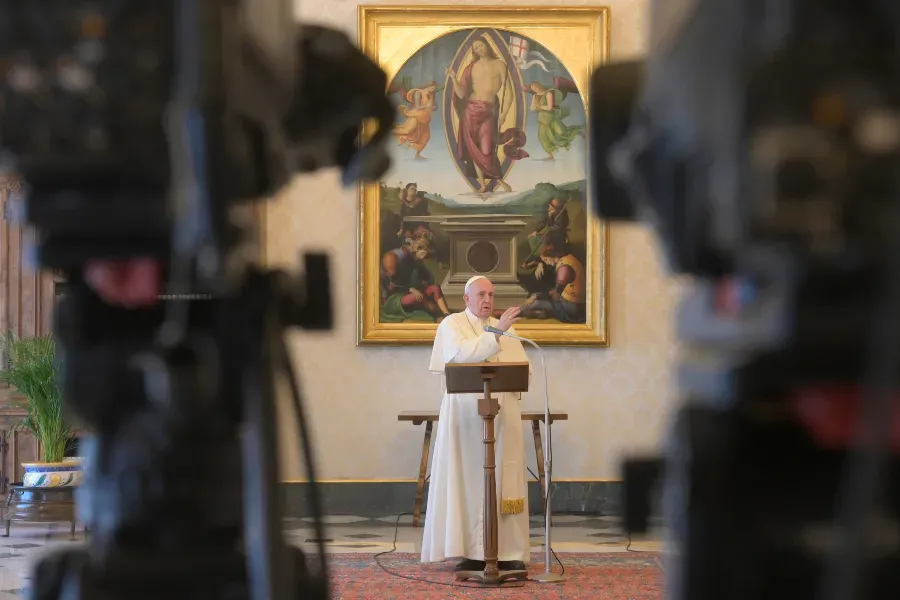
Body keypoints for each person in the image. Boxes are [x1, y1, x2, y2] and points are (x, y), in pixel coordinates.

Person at [421, 275, 531, 572]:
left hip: (502, 417)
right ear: (466, 299)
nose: (487, 300)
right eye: (481, 294)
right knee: (468, 481)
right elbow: (460, 355)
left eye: (491, 295)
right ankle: (469, 550)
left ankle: (508, 551)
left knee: (503, 482)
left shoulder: (507, 330)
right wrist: (496, 334)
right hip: (466, 421)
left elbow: (521, 373)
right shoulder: (452, 325)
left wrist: (501, 333)